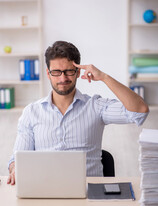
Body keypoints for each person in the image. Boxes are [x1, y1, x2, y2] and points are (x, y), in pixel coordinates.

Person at [7, 40, 149, 186]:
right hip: (45, 191)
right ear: (48, 73)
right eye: (56, 72)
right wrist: (15, 169)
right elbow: (17, 159)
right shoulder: (31, 112)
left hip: (90, 193)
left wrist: (104, 77)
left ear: (78, 72)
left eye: (69, 71)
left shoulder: (96, 106)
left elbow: (140, 111)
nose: (63, 78)